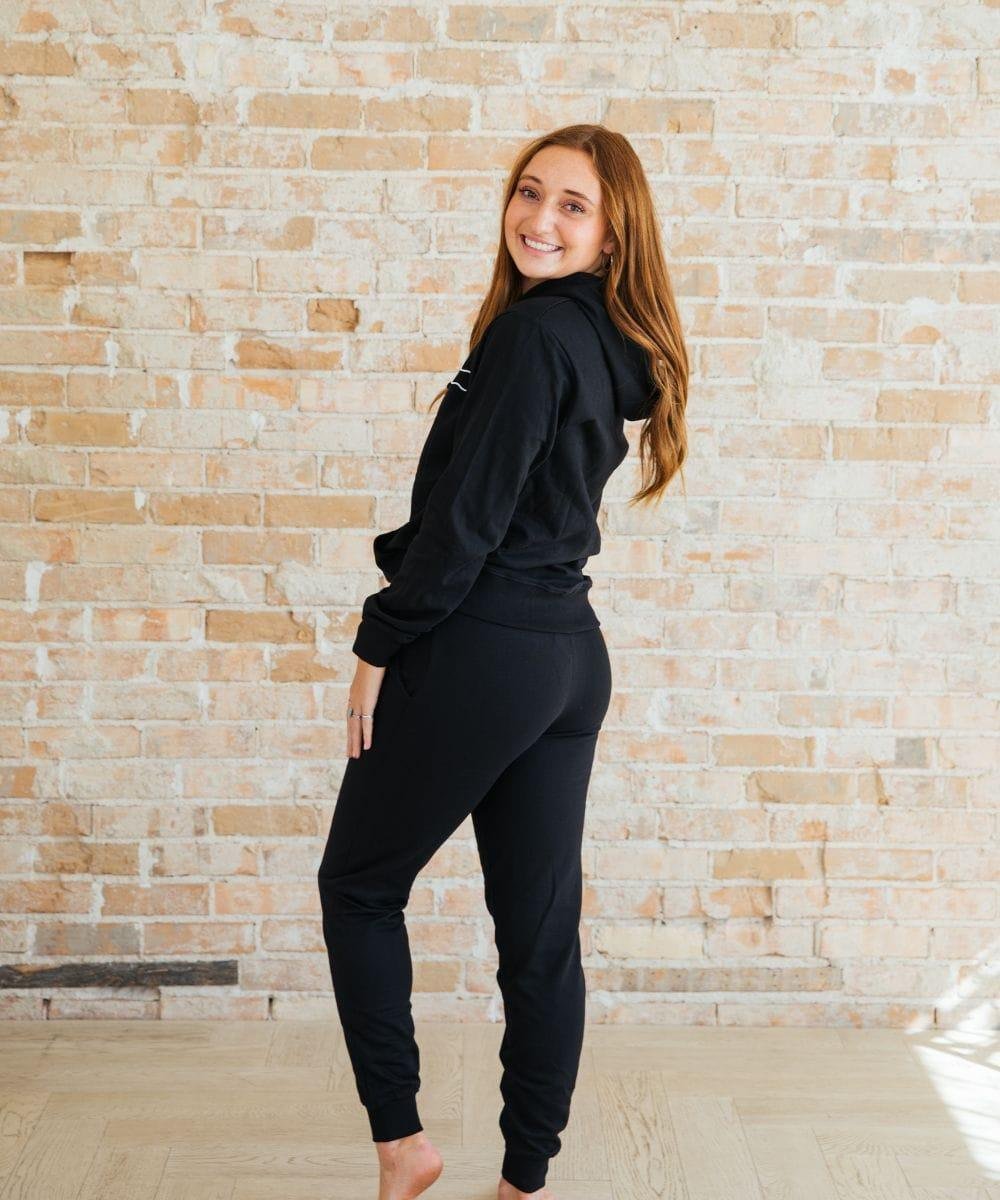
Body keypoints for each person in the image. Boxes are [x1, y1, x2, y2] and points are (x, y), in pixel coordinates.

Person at [317, 123, 689, 1200]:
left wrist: (379, 641)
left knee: (359, 886)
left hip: (485, 648)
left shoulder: (532, 340)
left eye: (573, 206)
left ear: (614, 237)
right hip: (569, 659)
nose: (540, 219)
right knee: (539, 939)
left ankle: (404, 1146)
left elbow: (465, 527)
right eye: (530, 194)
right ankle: (525, 1180)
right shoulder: (599, 344)